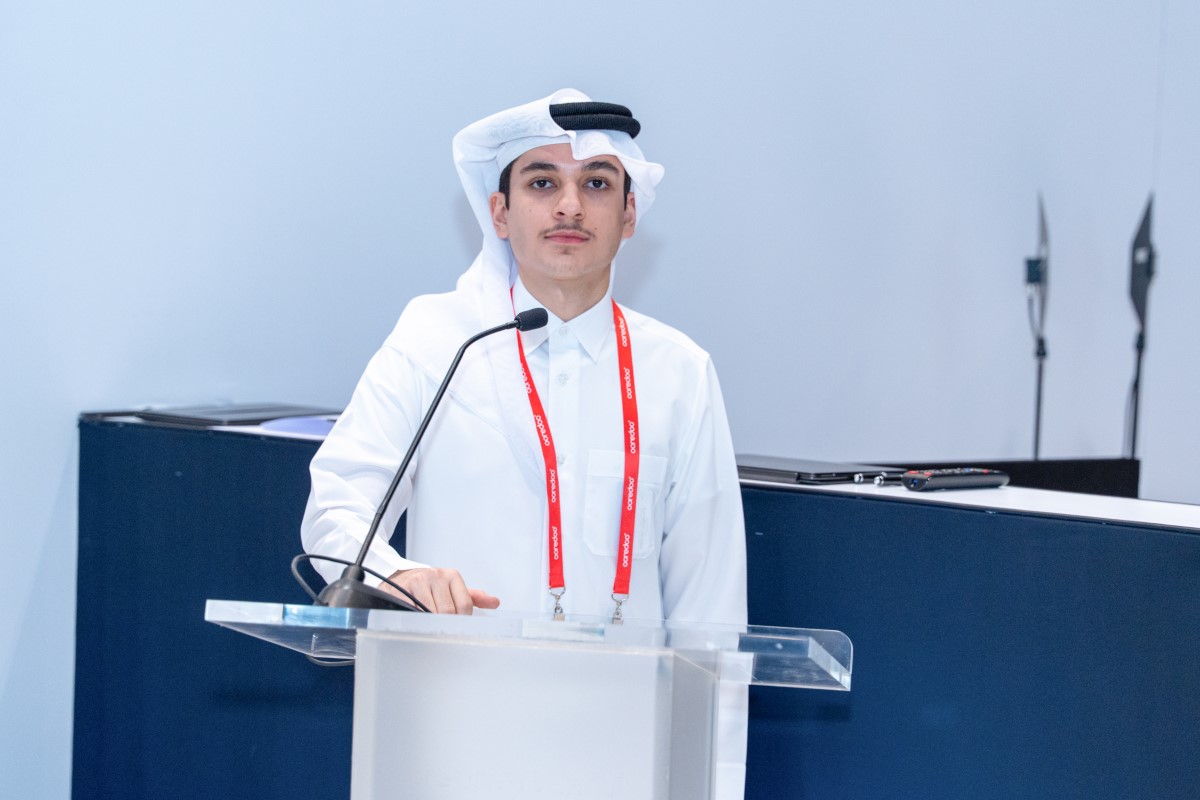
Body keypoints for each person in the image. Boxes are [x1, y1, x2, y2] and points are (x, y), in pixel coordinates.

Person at [301, 88, 748, 795]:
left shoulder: (678, 372)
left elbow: (713, 614)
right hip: (451, 751)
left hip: (620, 760)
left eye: (596, 184)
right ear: (500, 212)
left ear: (629, 214)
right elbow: (335, 511)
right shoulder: (438, 341)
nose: (569, 206)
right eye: (543, 183)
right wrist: (394, 577)